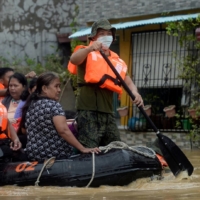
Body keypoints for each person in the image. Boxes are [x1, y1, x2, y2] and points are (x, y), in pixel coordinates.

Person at [68, 18, 144, 148]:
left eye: (109, 34)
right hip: (88, 111)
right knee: (89, 148)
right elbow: (74, 60)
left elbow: (128, 82)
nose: (106, 37)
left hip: (108, 113)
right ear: (93, 37)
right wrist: (90, 48)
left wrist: (136, 93)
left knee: (116, 147)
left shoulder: (116, 60)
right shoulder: (86, 52)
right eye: (101, 34)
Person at [20, 72, 100, 161]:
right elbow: (63, 131)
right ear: (45, 88)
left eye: (59, 86)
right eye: (56, 86)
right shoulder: (54, 105)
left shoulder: (31, 105)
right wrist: (83, 148)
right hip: (54, 155)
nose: (59, 90)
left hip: (34, 154)